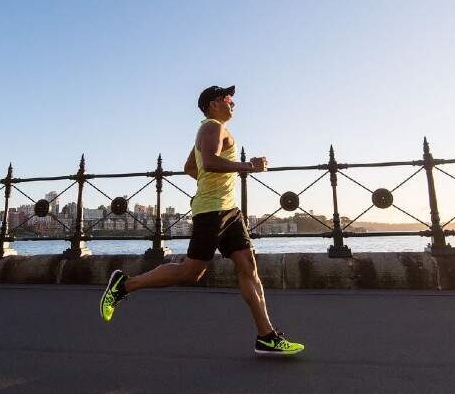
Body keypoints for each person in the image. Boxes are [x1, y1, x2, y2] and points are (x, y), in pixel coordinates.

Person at [100, 85, 304, 356]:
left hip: (229, 211)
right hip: (211, 212)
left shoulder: (212, 129)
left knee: (248, 267)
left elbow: (190, 167)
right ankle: (123, 285)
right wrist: (248, 167)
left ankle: (266, 336)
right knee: (191, 272)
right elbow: (207, 162)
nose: (233, 103)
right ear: (212, 103)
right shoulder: (211, 127)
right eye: (227, 98)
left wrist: (214, 185)